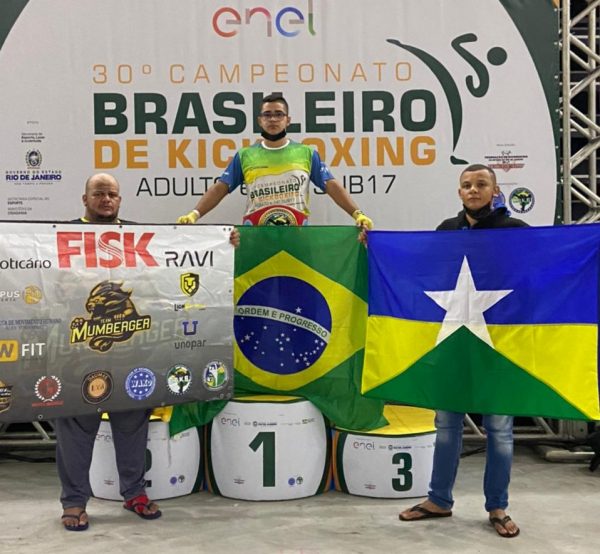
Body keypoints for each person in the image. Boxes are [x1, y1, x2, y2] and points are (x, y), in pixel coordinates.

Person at [398, 164, 528, 538]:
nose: (473, 190)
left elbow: (540, 269)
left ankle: (497, 506)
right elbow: (421, 268)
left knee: (499, 428)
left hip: (498, 345)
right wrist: (373, 247)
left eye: (481, 184)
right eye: (467, 185)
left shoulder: (516, 231)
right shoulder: (446, 231)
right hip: (453, 341)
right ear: (459, 192)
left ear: (495, 190)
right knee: (446, 425)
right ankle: (438, 499)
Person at [54, 173, 162, 531]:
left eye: (112, 194)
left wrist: (225, 242)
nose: (106, 199)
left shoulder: (138, 236)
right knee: (75, 430)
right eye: (98, 193)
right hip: (79, 354)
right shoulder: (59, 235)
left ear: (120, 199)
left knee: (132, 426)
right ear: (85, 199)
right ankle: (73, 501)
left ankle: (134, 493)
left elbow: (172, 271)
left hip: (130, 353)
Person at [176, 92, 373, 232]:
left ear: (288, 120)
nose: (273, 119)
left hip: (298, 237)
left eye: (279, 114)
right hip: (256, 237)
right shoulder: (245, 155)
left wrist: (357, 214)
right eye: (267, 115)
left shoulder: (306, 153)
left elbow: (331, 186)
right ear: (259, 120)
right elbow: (220, 188)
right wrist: (194, 214)